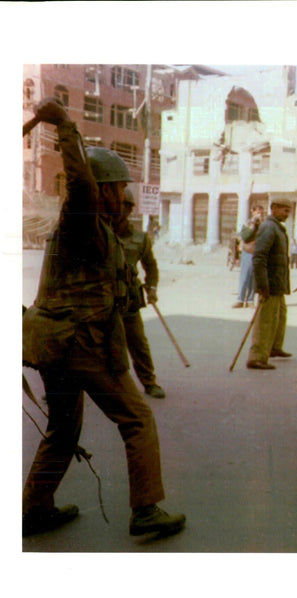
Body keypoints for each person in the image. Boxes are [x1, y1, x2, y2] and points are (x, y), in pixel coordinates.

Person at [21, 97, 185, 537]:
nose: (124, 199)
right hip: (77, 344)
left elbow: (115, 295)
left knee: (63, 428)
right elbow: (80, 186)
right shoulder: (83, 222)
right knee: (138, 419)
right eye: (118, 189)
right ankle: (146, 510)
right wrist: (67, 128)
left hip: (61, 344)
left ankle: (34, 509)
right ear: (105, 189)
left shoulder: (105, 236)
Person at [116, 189, 166, 399]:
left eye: (126, 206)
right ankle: (69, 388)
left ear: (129, 209)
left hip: (129, 298)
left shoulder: (140, 238)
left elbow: (151, 266)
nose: (121, 209)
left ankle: (149, 381)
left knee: (137, 342)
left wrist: (152, 288)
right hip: (100, 297)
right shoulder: (99, 233)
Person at [246, 199, 293, 369]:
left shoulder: (277, 228)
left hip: (277, 283)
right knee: (266, 321)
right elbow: (259, 258)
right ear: (274, 209)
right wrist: (262, 285)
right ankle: (257, 357)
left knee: (280, 316)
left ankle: (274, 348)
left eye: (289, 211)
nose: (287, 214)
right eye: (284, 210)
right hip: (270, 284)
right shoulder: (268, 227)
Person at [233, 204, 264, 308]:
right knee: (245, 275)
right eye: (257, 212)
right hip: (248, 251)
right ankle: (240, 299)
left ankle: (250, 300)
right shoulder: (248, 223)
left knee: (253, 277)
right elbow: (245, 236)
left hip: (258, 252)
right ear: (253, 212)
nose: (259, 214)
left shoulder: (263, 224)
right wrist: (253, 225)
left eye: (261, 212)